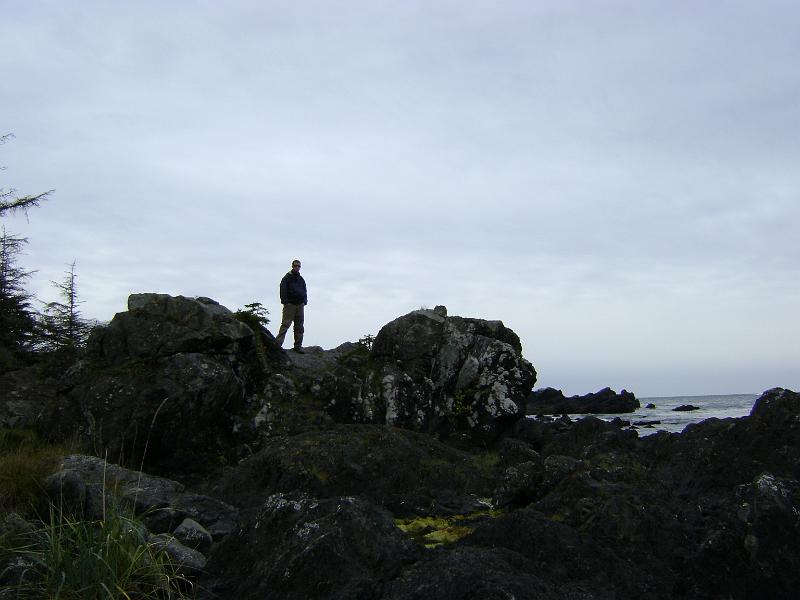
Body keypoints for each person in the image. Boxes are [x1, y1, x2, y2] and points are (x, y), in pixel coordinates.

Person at [275, 259, 307, 353]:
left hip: (300, 305)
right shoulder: (286, 278)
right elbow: (283, 289)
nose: (297, 267)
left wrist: (304, 301)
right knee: (285, 325)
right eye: (295, 266)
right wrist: (285, 302)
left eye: (298, 266)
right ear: (292, 266)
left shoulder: (301, 279)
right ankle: (277, 344)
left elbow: (304, 290)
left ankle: (298, 346)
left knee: (299, 327)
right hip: (290, 305)